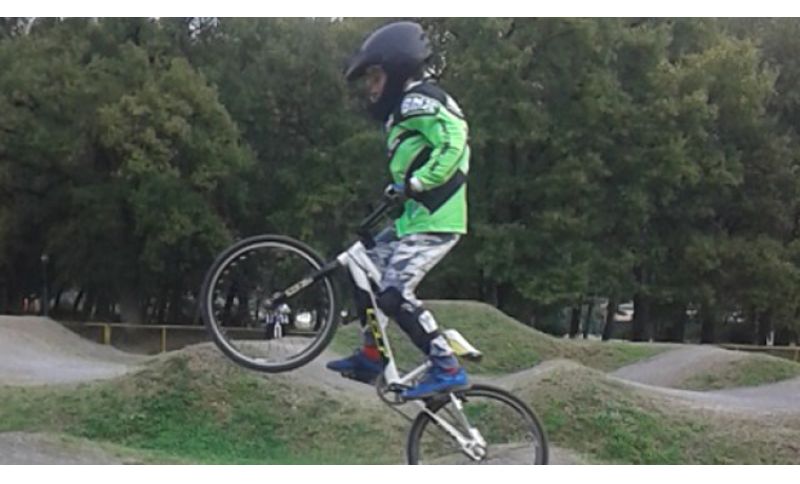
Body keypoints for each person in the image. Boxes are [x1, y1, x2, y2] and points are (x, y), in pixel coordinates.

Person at [326, 21, 471, 400]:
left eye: (375, 78)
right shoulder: (402, 112)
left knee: (394, 292)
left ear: (397, 70)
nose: (371, 89)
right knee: (361, 266)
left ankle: (447, 366)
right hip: (413, 220)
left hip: (436, 220)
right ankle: (372, 354)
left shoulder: (417, 101)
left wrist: (419, 182)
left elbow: (455, 139)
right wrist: (399, 190)